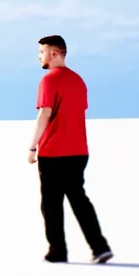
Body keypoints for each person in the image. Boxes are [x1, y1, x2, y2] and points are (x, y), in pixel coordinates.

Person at [28, 34, 112, 264]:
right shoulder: (78, 80)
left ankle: (58, 250)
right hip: (78, 151)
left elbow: (44, 114)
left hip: (54, 151)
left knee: (51, 204)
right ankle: (99, 246)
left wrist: (32, 146)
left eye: (41, 52)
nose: (38, 57)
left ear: (54, 53)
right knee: (79, 199)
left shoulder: (49, 80)